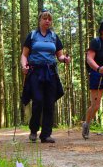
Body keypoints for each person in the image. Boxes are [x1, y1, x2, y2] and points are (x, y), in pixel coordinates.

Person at [21, 9, 70, 143]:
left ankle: (46, 134)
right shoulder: (32, 36)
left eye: (49, 19)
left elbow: (59, 55)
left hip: (50, 72)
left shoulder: (54, 36)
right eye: (44, 18)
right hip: (35, 72)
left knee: (49, 102)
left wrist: (64, 59)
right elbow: (24, 55)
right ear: (39, 20)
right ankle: (33, 130)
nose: (47, 21)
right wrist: (24, 66)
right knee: (37, 101)